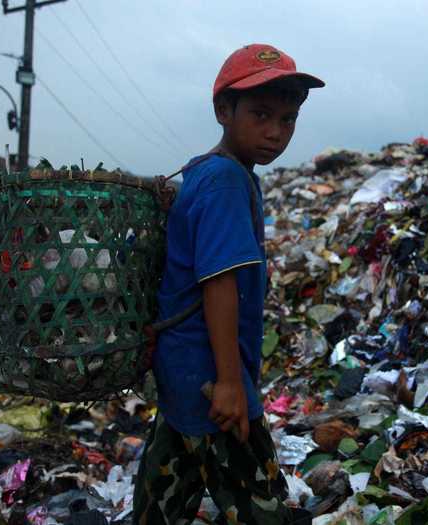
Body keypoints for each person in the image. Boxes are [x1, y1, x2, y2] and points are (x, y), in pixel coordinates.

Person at [133, 44, 324, 525]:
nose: (275, 132)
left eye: (288, 119)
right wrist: (230, 384)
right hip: (209, 377)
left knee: (165, 488)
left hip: (183, 370)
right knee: (261, 505)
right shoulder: (224, 181)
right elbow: (219, 281)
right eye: (261, 114)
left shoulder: (211, 170)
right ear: (223, 109)